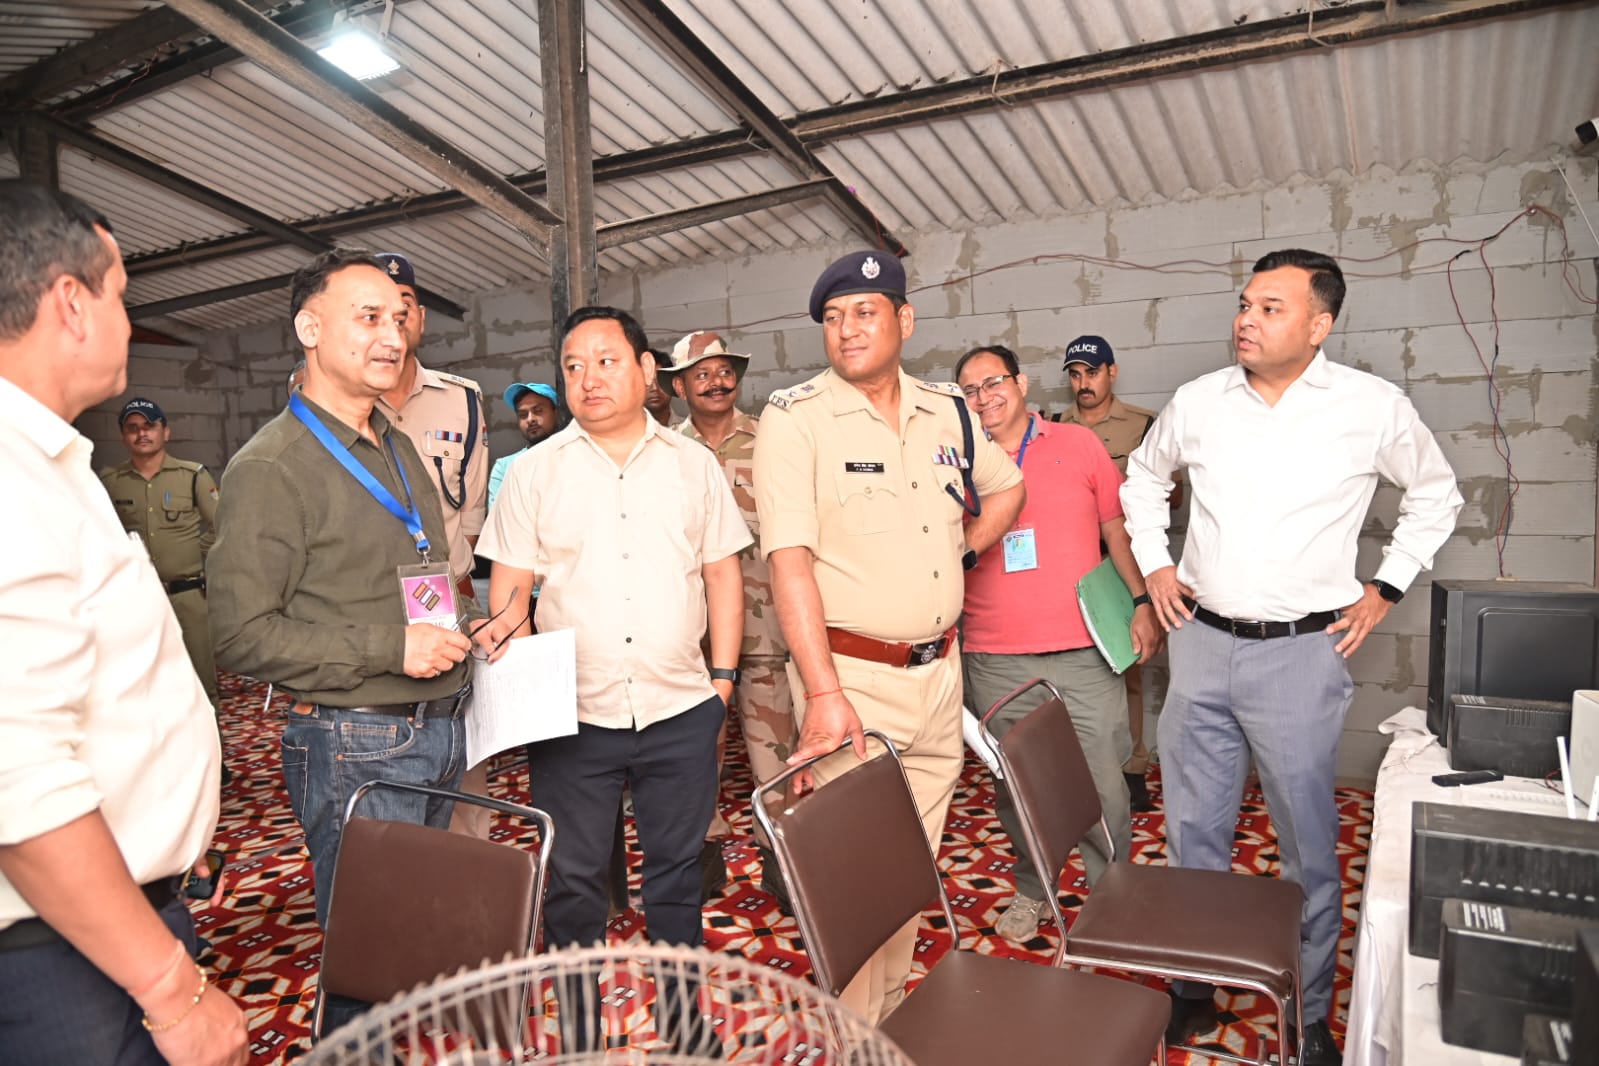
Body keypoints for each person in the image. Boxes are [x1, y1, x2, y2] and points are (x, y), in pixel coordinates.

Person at [1122, 249, 1462, 1065]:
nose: (1246, 319)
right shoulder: (1199, 401)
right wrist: (1156, 563)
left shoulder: (1370, 407)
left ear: (1318, 325)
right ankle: (1193, 988)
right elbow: (1141, 478)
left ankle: (1305, 1011)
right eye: (1244, 304)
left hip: (1300, 655)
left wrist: (1384, 587)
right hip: (1200, 645)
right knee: (1191, 830)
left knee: (1307, 842)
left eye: (1270, 308)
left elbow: (1436, 494)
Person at [207, 250, 496, 1024]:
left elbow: (415, 576)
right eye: (368, 318)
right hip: (355, 743)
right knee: (369, 967)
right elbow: (239, 634)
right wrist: (390, 649)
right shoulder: (271, 466)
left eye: (398, 318)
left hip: (437, 729)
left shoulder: (395, 446)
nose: (392, 336)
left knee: (410, 945)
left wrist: (467, 625)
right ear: (309, 329)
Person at [0, 179, 248, 1066]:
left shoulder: (49, 463)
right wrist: (170, 990)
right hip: (61, 955)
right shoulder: (12, 478)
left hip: (89, 926)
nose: (130, 324)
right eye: (121, 296)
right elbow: (17, 777)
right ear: (72, 304)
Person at [753, 251, 1025, 1024]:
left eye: (864, 312)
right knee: (854, 882)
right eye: (832, 318)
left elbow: (1007, 486)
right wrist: (822, 693)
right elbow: (788, 564)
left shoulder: (947, 411)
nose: (846, 329)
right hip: (853, 684)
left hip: (939, 678)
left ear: (904, 320)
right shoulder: (796, 419)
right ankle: (853, 1036)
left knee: (907, 877)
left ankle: (885, 1020)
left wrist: (961, 554)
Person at [477, 308, 749, 1028]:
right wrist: (518, 683)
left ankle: (686, 1026)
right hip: (572, 715)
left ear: (646, 370)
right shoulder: (533, 472)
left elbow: (721, 576)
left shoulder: (692, 465)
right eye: (573, 365)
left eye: (605, 360)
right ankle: (578, 1029)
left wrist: (721, 684)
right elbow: (511, 589)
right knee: (571, 883)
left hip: (680, 709)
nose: (587, 378)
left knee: (676, 877)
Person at [955, 344, 1161, 944]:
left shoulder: (1078, 444)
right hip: (994, 655)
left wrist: (1142, 601)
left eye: (994, 382)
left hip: (1084, 648)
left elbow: (1115, 530)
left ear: (1021, 384)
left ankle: (1110, 892)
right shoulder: (955, 465)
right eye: (969, 390)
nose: (984, 397)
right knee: (1018, 787)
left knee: (1101, 782)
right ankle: (1033, 887)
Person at [664, 329, 796, 907]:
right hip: (694, 633)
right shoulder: (665, 452)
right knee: (695, 751)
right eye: (702, 374)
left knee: (778, 748)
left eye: (725, 372)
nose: (716, 382)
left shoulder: (772, 440)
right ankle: (702, 856)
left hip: (768, 624)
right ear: (679, 387)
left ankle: (781, 859)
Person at [1054, 333, 1183, 812]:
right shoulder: (1053, 426)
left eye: (1092, 372)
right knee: (1068, 667)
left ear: (1112, 372)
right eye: (1075, 375)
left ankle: (1131, 768)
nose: (1083, 383)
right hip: (1069, 561)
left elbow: (1175, 496)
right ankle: (1079, 770)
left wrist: (1117, 484)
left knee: (1126, 665)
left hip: (1121, 561)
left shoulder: (1144, 424)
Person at [99, 398, 223, 720]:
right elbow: (101, 534)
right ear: (123, 437)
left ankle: (214, 750)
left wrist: (196, 551)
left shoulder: (191, 476)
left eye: (149, 426)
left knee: (201, 681)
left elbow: (223, 524)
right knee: (146, 683)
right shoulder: (110, 482)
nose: (142, 433)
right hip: (137, 598)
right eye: (132, 428)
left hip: (187, 597)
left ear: (165, 432)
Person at [373, 253, 488, 599]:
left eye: (404, 304)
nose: (394, 317)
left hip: (449, 591)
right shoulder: (345, 405)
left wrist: (448, 571)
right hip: (373, 599)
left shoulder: (462, 399)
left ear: (421, 318)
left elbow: (471, 511)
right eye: (377, 310)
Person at [488, 381, 563, 510]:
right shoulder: (504, 467)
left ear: (556, 413)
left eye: (538, 411)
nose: (530, 419)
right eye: (523, 415)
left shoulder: (575, 456)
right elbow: (499, 516)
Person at [643, 346, 676, 425]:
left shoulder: (691, 429)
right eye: (648, 382)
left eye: (661, 381)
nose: (654, 388)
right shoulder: (623, 431)